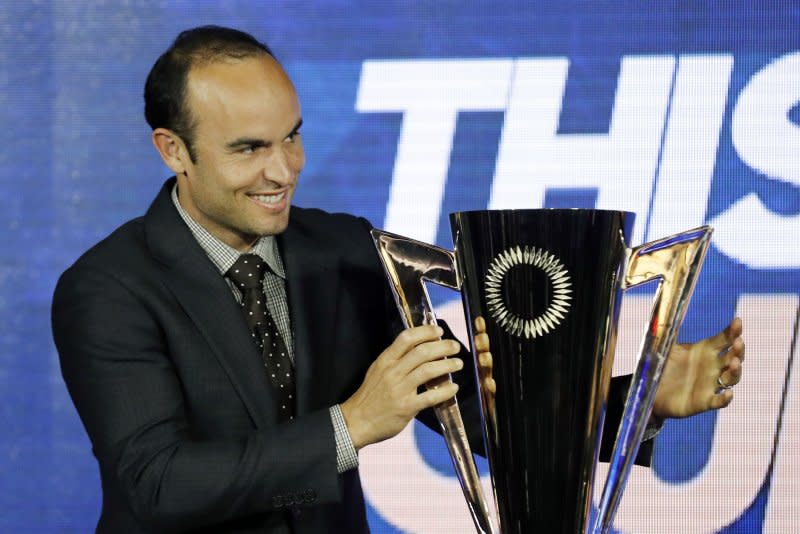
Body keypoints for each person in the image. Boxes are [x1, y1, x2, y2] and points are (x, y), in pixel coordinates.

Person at [51, 26, 745, 534]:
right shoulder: (108, 289)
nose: (283, 170)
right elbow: (159, 484)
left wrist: (636, 403)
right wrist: (351, 424)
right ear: (173, 150)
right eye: (248, 149)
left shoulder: (346, 247)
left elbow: (469, 405)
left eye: (291, 136)